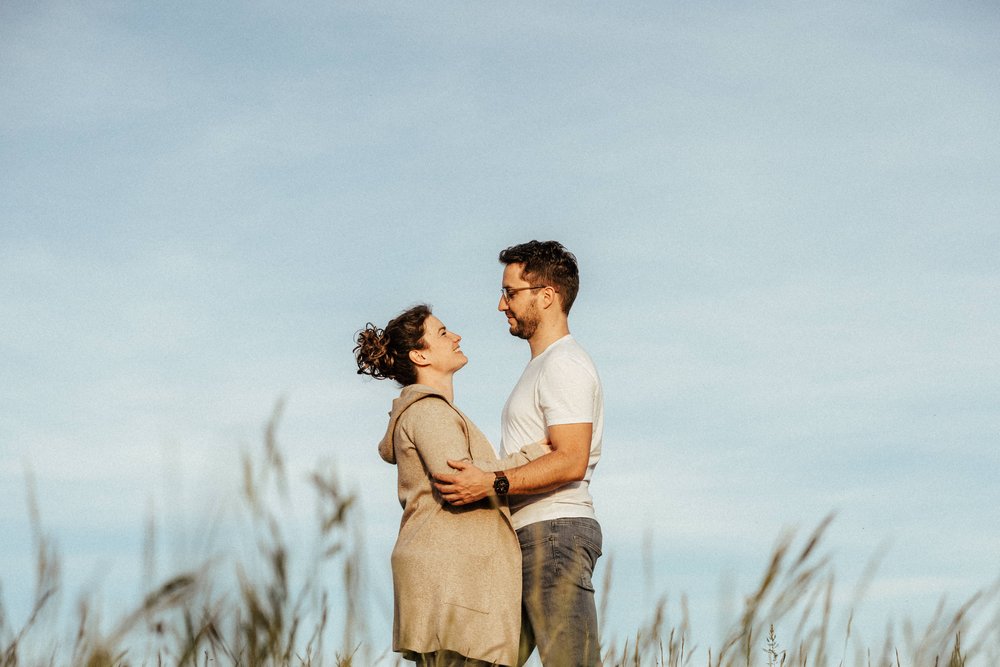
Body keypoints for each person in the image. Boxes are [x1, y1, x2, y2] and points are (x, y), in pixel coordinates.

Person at [434, 240, 605, 667]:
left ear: (546, 296)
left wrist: (490, 482)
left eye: (510, 293)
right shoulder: (542, 366)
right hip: (528, 537)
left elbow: (571, 459)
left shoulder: (564, 364)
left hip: (554, 535)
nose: (500, 304)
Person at [355, 304, 550, 667]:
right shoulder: (429, 411)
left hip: (452, 574)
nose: (456, 336)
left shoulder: (434, 411)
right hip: (449, 578)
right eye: (443, 333)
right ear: (419, 355)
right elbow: (460, 478)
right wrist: (535, 456)